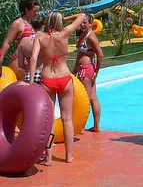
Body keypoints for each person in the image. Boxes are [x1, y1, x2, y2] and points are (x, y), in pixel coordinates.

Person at [29, 12, 86, 165]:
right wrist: (66, 19)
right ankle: (68, 156)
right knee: (67, 119)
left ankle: (48, 158)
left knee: (49, 121)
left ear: (47, 21)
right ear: (60, 22)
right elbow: (82, 15)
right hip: (65, 79)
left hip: (47, 79)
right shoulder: (65, 33)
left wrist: (30, 82)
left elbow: (33, 58)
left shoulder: (40, 37)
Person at [74, 14, 103, 133]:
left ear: (91, 24)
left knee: (86, 98)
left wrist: (96, 71)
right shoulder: (82, 35)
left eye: (85, 22)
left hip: (87, 70)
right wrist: (75, 69)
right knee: (92, 97)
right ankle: (95, 126)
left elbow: (100, 55)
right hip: (82, 69)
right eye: (81, 22)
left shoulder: (91, 37)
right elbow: (80, 55)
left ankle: (82, 126)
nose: (82, 24)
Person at [0, 0, 39, 79]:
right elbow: (7, 42)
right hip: (19, 60)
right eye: (34, 11)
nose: (37, 13)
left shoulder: (33, 23)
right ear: (26, 10)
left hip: (30, 60)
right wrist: (1, 58)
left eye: (38, 11)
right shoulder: (18, 23)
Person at [17, 15, 45, 84]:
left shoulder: (23, 41)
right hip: (43, 75)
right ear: (44, 26)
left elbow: (20, 65)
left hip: (28, 76)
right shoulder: (45, 39)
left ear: (32, 25)